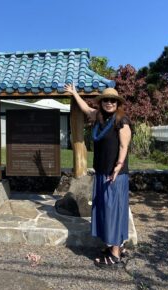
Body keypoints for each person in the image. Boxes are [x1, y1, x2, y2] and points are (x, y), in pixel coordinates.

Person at [64, 84, 132, 268]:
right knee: (105, 210)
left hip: (115, 175)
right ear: (101, 103)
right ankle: (114, 246)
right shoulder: (99, 117)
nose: (109, 103)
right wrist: (75, 93)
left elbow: (124, 147)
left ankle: (115, 254)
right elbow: (86, 108)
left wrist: (117, 167)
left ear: (117, 103)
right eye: (106, 100)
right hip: (102, 173)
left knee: (113, 211)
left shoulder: (122, 121)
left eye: (113, 101)